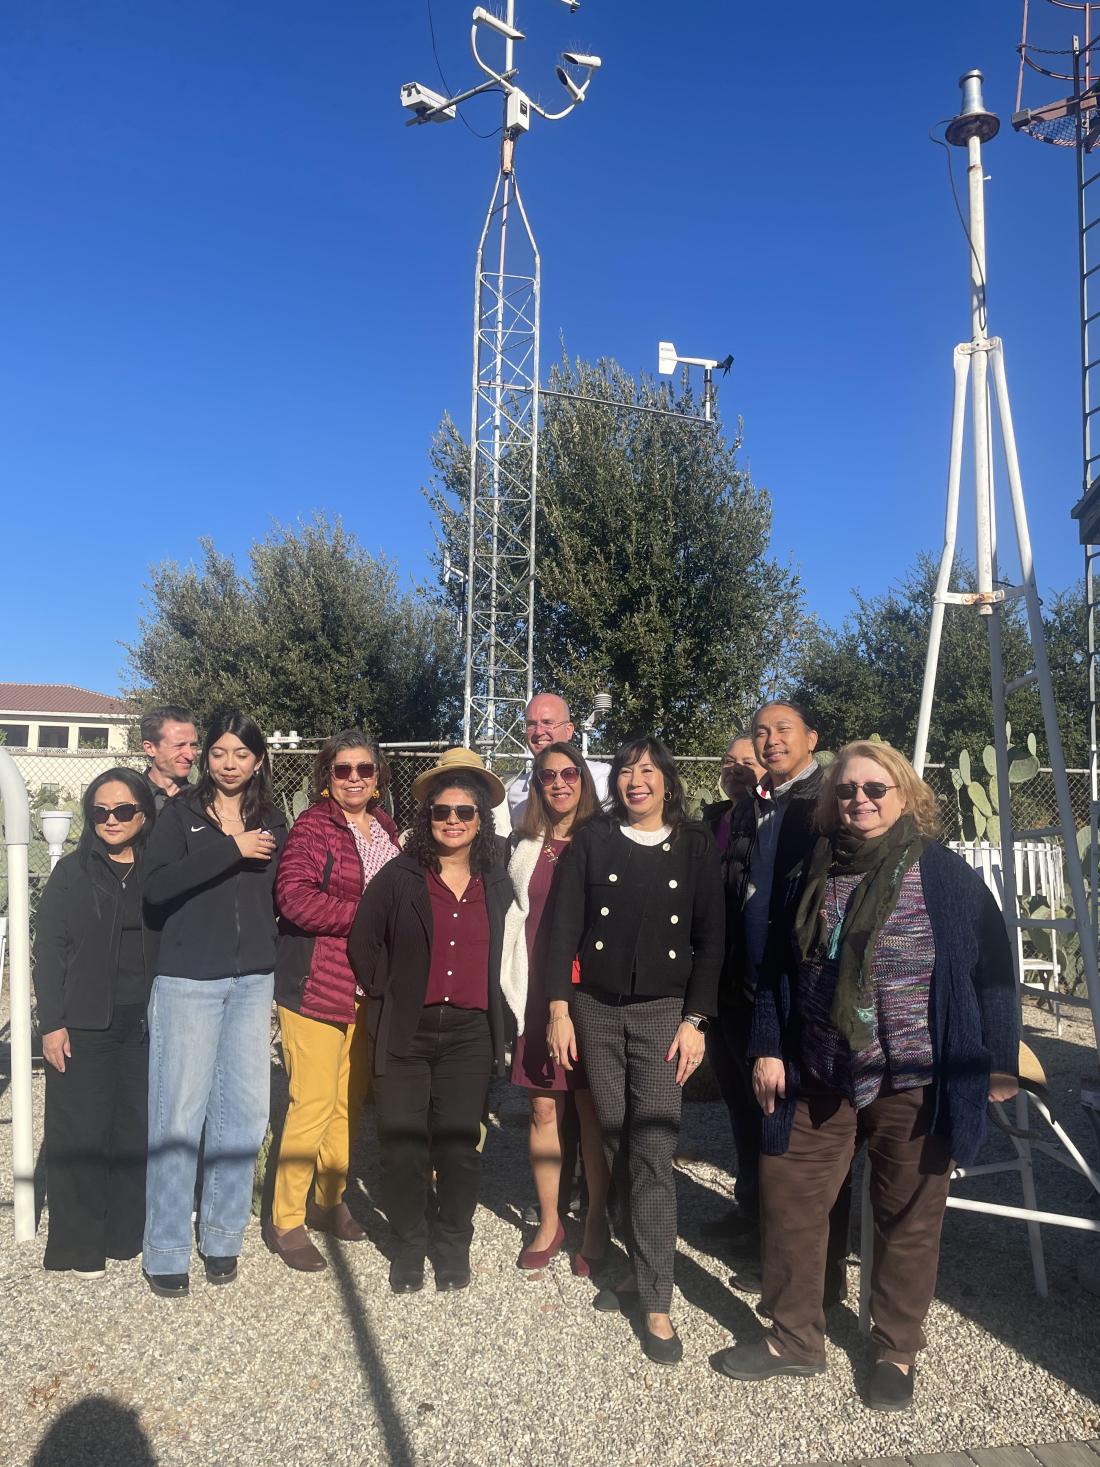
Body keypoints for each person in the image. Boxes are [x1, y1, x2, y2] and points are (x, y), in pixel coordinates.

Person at [713, 741, 1020, 1411]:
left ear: (905, 794)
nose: (860, 799)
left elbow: (994, 972)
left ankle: (895, 1348)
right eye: (848, 789)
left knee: (906, 1215)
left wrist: (997, 1059)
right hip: (818, 1069)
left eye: (876, 788)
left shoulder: (945, 875)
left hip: (915, 1074)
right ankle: (795, 1337)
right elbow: (778, 972)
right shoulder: (811, 871)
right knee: (789, 1199)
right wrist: (767, 1046)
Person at [544, 737, 724, 1366]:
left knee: (652, 1144)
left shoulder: (697, 844)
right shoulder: (592, 839)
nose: (635, 781)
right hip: (593, 1009)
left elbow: (712, 939)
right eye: (625, 770)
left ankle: (657, 1299)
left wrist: (697, 1018)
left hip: (663, 1014)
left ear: (668, 782)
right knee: (617, 1137)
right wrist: (559, 1008)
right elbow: (560, 926)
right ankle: (631, 1261)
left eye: (648, 770)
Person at [348, 747, 512, 1296]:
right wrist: (387, 989)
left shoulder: (497, 880)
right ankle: (410, 1242)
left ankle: (452, 1242)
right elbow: (363, 941)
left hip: (469, 1033)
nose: (452, 821)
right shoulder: (400, 876)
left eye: (464, 812)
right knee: (401, 1147)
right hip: (406, 1031)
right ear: (429, 817)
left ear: (480, 820)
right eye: (442, 811)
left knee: (459, 1148)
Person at [704, 700, 851, 1310]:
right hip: (743, 986)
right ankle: (757, 1223)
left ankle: (819, 1268)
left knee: (806, 1131)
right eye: (760, 732)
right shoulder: (757, 803)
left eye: (781, 730)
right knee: (749, 1113)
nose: (769, 741)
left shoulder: (829, 802)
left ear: (811, 737)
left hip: (797, 992)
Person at [141, 710, 287, 1298]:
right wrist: (230, 848)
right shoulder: (179, 817)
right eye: (220, 752)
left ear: (257, 762)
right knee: (178, 1116)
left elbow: (280, 892)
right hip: (188, 982)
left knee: (245, 1115)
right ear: (208, 758)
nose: (229, 764)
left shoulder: (272, 819)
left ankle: (223, 1236)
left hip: (251, 982)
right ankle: (167, 1247)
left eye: (241, 755)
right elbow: (157, 888)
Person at [267, 730, 400, 1271]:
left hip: (367, 988)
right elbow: (294, 897)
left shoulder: (387, 827)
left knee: (347, 1102)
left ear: (378, 777)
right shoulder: (312, 827)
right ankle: (285, 1220)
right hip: (316, 985)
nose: (353, 778)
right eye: (342, 770)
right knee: (312, 1104)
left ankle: (330, 1201)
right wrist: (365, 918)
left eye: (364, 770)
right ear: (326, 777)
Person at [33, 768, 157, 1277]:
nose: (111, 820)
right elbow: (48, 950)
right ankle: (77, 1245)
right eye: (100, 811)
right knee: (80, 1131)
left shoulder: (158, 869)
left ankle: (124, 1235)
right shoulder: (72, 872)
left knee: (133, 1130)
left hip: (144, 1024)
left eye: (123, 810)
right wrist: (51, 1022)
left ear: (143, 814)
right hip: (83, 1022)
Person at [500, 742, 610, 1274]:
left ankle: (594, 1221)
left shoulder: (606, 840)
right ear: (538, 784)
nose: (560, 783)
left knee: (591, 1111)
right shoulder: (524, 844)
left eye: (570, 773)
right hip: (536, 990)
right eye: (548, 776)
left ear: (584, 780)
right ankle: (550, 1220)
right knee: (544, 1109)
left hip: (589, 994)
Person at [503, 693, 611, 829]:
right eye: (531, 724)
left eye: (547, 723)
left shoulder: (603, 778)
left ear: (569, 730)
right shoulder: (517, 791)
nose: (538, 731)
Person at [701, 734, 765, 852]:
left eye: (748, 763)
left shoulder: (769, 821)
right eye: (729, 761)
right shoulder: (710, 817)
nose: (735, 769)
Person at [140, 706, 198, 814]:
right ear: (150, 748)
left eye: (193, 745)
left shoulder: (203, 801)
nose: (190, 755)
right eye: (179, 746)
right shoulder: (131, 799)